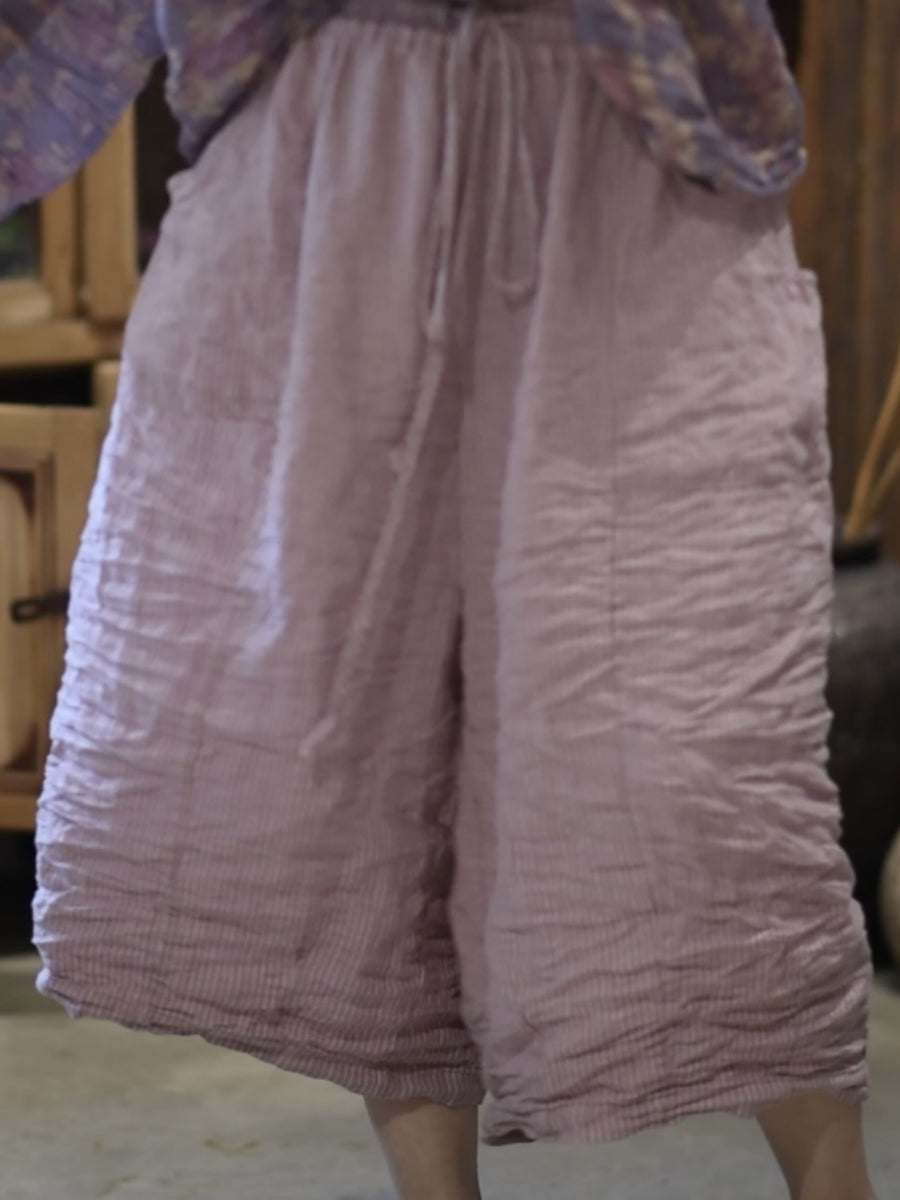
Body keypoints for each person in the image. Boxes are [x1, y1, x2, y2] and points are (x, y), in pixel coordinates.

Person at [1, 3, 879, 1198]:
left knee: (693, 754)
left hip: (618, 150)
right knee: (356, 758)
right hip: (335, 148)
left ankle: (834, 1186)